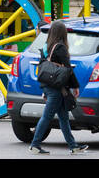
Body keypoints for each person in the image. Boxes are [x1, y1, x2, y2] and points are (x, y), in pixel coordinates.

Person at [28, 20, 88, 154]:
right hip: (56, 87)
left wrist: (45, 89)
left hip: (50, 85)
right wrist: (75, 86)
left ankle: (73, 146)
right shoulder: (60, 47)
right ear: (63, 33)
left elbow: (44, 66)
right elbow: (68, 69)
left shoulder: (46, 47)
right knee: (47, 116)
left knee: (63, 117)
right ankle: (35, 144)